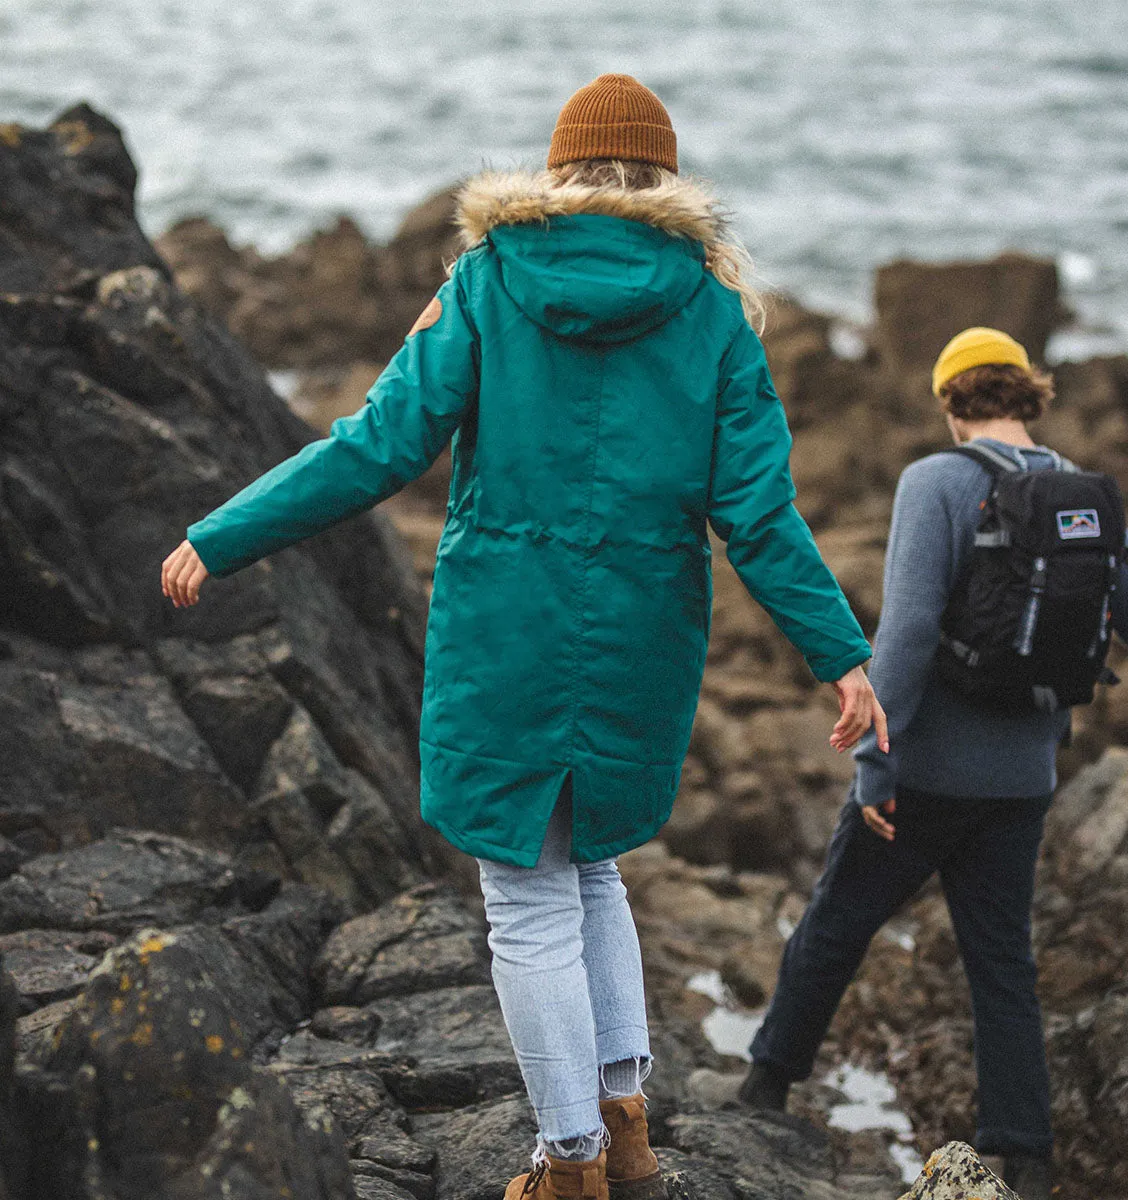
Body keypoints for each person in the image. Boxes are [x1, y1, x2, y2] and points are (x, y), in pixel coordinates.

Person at [162, 74, 885, 1200]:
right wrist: (842, 653)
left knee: (525, 891)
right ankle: (623, 1118)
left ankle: (570, 1160)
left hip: (507, 629)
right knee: (589, 861)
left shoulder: (489, 283)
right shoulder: (711, 312)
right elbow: (759, 517)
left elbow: (376, 449)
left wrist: (223, 532)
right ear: (663, 178)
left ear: (563, 169)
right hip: (643, 635)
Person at [738, 327, 1128, 1200]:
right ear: (1030, 396)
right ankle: (1021, 1149)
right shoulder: (1085, 497)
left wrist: (875, 767)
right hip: (1022, 782)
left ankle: (765, 1084)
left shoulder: (937, 483)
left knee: (835, 927)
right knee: (1003, 963)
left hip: (921, 779)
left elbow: (906, 637)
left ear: (951, 402)